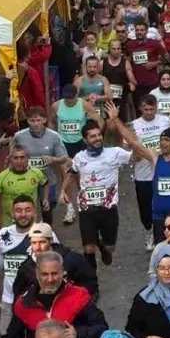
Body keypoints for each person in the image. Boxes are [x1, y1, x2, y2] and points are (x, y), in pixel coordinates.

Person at [61, 111, 136, 270]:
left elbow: (135, 158)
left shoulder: (114, 153)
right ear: (85, 140)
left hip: (108, 210)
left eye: (98, 135)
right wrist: (63, 191)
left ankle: (104, 246)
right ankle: (91, 283)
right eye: (92, 136)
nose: (97, 138)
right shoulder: (80, 157)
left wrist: (133, 142)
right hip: (87, 210)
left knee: (110, 247)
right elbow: (71, 171)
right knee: (88, 248)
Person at [4, 250, 108, 338]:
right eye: (45, 274)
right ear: (37, 274)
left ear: (63, 273)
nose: (50, 279)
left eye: (54, 273)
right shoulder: (24, 302)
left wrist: (78, 333)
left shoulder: (79, 296)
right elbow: (12, 337)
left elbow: (101, 327)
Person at [128, 94, 170, 246]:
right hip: (142, 174)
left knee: (166, 205)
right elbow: (129, 149)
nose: (149, 112)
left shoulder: (165, 121)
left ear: (156, 107)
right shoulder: (134, 125)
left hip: (162, 171)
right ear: (140, 108)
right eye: (146, 109)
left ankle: (166, 234)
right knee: (145, 208)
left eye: (152, 109)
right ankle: (149, 231)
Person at [0, 194, 37, 334]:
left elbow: (59, 259)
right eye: (19, 210)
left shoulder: (44, 234)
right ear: (12, 213)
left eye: (27, 210)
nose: (23, 214)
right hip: (9, 300)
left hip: (35, 301)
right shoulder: (4, 233)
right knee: (6, 336)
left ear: (34, 212)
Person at [13, 110, 70, 225]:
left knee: (48, 207)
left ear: (44, 120)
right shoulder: (19, 136)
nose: (35, 123)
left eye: (38, 120)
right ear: (28, 121)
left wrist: (53, 159)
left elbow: (64, 158)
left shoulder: (54, 136)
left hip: (48, 179)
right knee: (26, 207)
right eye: (32, 120)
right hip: (26, 179)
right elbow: (12, 156)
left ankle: (47, 231)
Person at [0, 146, 48, 226]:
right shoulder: (3, 176)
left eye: (22, 157)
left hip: (30, 220)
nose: (19, 161)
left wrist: (45, 199)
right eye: (15, 158)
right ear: (10, 159)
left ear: (27, 158)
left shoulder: (36, 173)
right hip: (9, 222)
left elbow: (45, 183)